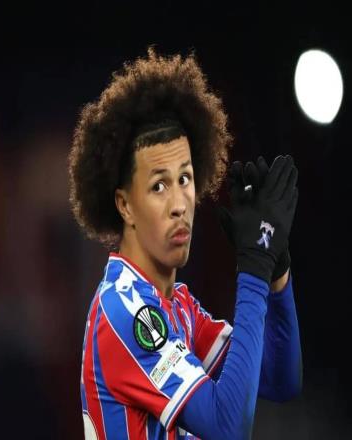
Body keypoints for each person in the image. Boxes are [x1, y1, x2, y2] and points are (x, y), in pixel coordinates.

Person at [68, 47, 302, 440]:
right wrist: (253, 265)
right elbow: (229, 428)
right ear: (125, 205)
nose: (179, 204)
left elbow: (280, 379)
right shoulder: (128, 313)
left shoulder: (178, 307)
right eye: (158, 186)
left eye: (185, 179)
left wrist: (274, 265)